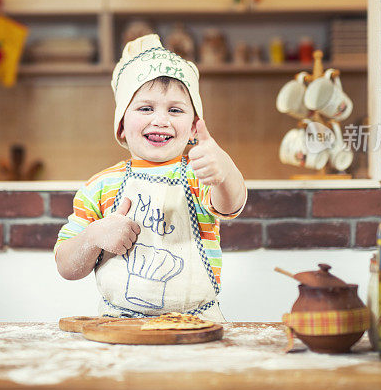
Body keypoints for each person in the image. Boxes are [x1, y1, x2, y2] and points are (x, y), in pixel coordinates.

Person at [54, 34, 247, 322]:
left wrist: (224, 170)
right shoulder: (100, 187)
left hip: (197, 328)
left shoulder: (201, 175)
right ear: (121, 126)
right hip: (118, 328)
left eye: (175, 110)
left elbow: (232, 203)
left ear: (194, 127)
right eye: (146, 108)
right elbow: (67, 266)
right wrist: (95, 236)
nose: (161, 120)